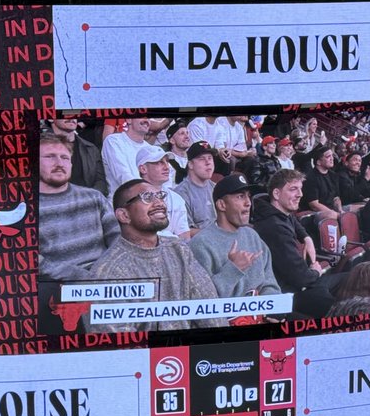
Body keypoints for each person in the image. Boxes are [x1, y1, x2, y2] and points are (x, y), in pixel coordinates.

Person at [84, 179, 223, 333]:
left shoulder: (179, 249)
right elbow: (117, 348)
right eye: (147, 197)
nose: (159, 203)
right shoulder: (108, 273)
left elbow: (211, 311)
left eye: (160, 196)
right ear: (124, 215)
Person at [250, 169, 337, 317]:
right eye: (293, 189)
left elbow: (294, 222)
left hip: (295, 284)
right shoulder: (275, 227)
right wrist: (316, 271)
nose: (300, 194)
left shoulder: (277, 211)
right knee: (335, 304)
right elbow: (301, 278)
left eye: (300, 189)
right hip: (286, 294)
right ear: (276, 194)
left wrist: (306, 238)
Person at [36, 133, 120, 282]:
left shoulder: (94, 197)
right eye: (50, 157)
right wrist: (78, 276)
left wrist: (105, 271)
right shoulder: (23, 208)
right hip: (55, 284)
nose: (59, 163)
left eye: (65, 158)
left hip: (104, 278)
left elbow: (118, 238)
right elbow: (30, 259)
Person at [187, 173, 280, 301]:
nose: (248, 203)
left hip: (261, 314)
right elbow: (200, 299)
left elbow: (270, 284)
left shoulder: (252, 236)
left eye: (249, 196)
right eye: (240, 197)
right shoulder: (200, 244)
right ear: (221, 205)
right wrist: (233, 269)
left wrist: (270, 308)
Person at [47, 118, 106, 194]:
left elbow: (101, 182)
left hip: (88, 202)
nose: (71, 117)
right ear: (50, 119)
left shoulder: (91, 148)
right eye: (64, 112)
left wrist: (88, 199)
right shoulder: (40, 148)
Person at [174, 143, 218, 228]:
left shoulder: (216, 188)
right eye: (202, 159)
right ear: (190, 164)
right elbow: (185, 231)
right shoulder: (181, 194)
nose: (208, 162)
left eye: (210, 158)